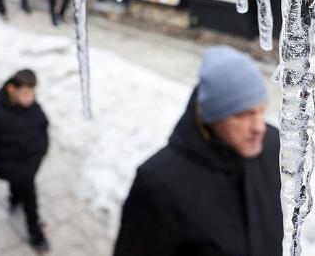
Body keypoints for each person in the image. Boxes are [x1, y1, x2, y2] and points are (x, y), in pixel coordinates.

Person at [114, 46, 283, 256]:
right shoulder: (159, 183)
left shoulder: (272, 147)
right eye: (243, 115)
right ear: (212, 115)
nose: (259, 127)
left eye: (261, 110)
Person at [0, 69, 49, 252]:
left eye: (33, 92)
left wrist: (40, 154)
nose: (30, 97)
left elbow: (43, 131)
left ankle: (24, 212)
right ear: (12, 90)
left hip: (30, 165)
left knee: (26, 190)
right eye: (25, 93)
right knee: (24, 191)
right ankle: (28, 220)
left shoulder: (35, 110)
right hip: (9, 165)